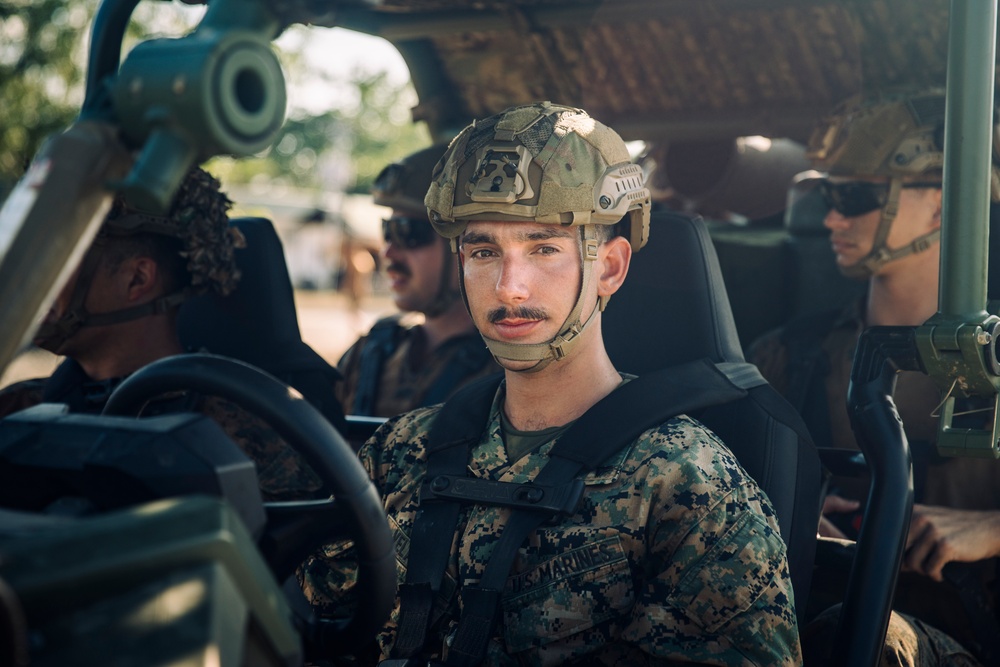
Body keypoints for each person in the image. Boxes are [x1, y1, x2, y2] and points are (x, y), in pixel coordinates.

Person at [300, 102, 801, 665]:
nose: (510, 287)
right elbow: (307, 623)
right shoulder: (401, 450)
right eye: (484, 251)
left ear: (610, 267)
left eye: (544, 249)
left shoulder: (688, 483)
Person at [748, 89, 998, 665]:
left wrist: (991, 527)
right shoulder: (787, 357)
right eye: (829, 195)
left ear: (941, 206)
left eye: (856, 196)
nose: (833, 217)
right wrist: (790, 514)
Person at [0, 167, 321, 501]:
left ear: (137, 279)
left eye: (58, 257)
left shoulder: (245, 439)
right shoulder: (16, 409)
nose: (32, 277)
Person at [336, 145, 499, 418]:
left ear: (467, 245)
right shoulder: (371, 351)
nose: (389, 252)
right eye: (388, 231)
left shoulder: (506, 375)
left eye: (409, 233)